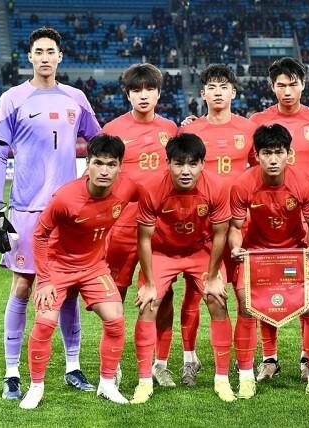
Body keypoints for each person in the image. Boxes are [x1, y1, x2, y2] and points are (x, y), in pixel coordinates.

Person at [0, 26, 101, 400]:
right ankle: (11, 373)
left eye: (51, 51)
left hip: (68, 214)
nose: (45, 57)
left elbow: (100, 144)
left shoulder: (76, 98)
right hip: (25, 210)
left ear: (60, 56)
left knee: (68, 291)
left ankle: (73, 367)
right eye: (39, 51)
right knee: (22, 286)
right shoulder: (12, 99)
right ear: (30, 57)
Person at [20, 135, 138, 409]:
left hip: (93, 267)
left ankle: (107, 384)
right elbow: (39, 235)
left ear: (120, 167)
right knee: (44, 323)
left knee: (116, 319)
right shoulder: (66, 198)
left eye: (111, 164)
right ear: (87, 163)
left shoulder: (128, 188)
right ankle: (36, 387)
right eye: (98, 163)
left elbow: (153, 201)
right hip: (58, 267)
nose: (104, 170)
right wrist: (45, 280)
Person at [158, 65, 256, 387]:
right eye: (211, 87)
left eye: (223, 86)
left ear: (233, 92)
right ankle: (190, 359)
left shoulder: (249, 128)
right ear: (202, 94)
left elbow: (260, 171)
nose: (217, 92)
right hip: (202, 227)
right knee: (195, 294)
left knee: (243, 294)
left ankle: (244, 360)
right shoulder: (190, 130)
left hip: (240, 225)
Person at [229, 124, 309, 400]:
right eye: (266, 153)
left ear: (289, 153)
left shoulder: (303, 183)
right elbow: (235, 227)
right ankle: (246, 378)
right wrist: (236, 247)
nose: (273, 159)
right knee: (247, 308)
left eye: (278, 152)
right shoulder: (243, 184)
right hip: (257, 254)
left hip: (294, 252)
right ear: (256, 155)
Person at [135, 133, 236, 402]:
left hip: (199, 250)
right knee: (149, 303)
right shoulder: (152, 188)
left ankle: (222, 379)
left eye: (192, 163)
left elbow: (220, 234)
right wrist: (149, 283)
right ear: (167, 163)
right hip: (162, 251)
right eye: (179, 164)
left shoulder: (217, 186)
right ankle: (144, 381)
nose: (185, 171)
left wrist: (213, 277)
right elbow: (143, 238)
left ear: (203, 164)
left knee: (216, 299)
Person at [248, 57, 309, 381]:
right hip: (265, 218)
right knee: (265, 288)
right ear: (272, 87)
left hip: (305, 218)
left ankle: (308, 356)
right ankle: (269, 358)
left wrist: (302, 176)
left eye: (293, 83)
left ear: (303, 84)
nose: (287, 90)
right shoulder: (257, 121)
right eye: (280, 84)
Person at [101, 63, 179, 391]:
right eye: (136, 90)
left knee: (162, 296)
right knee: (114, 296)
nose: (143, 95)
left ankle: (160, 364)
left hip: (160, 228)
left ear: (159, 93)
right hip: (122, 226)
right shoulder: (113, 129)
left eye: (149, 89)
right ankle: (114, 364)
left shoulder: (171, 129)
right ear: (128, 94)